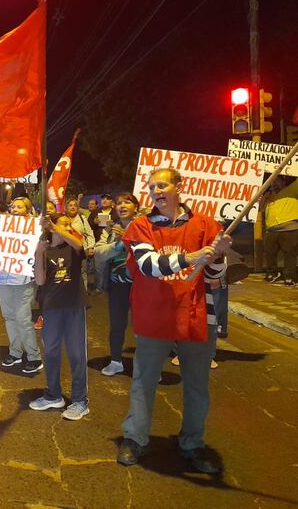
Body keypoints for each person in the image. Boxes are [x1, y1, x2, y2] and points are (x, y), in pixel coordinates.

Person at [116, 168, 231, 474]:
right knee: (143, 381)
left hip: (196, 315)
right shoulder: (140, 226)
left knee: (197, 384)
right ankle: (135, 438)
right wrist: (191, 258)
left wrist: (218, 256)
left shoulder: (205, 224)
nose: (156, 191)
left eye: (163, 185)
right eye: (152, 187)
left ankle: (192, 442)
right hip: (154, 316)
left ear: (180, 186)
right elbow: (148, 266)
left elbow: (216, 277)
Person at [29, 213, 89, 420]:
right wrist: (39, 254)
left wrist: (56, 227)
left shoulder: (73, 248)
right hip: (51, 308)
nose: (67, 228)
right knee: (52, 353)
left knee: (76, 354)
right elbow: (39, 280)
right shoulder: (46, 250)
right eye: (63, 224)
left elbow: (80, 245)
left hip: (73, 306)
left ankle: (80, 400)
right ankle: (53, 395)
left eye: (68, 225)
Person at [93, 192, 139, 375]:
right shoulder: (110, 229)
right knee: (117, 325)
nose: (122, 206)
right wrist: (118, 244)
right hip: (117, 284)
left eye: (127, 202)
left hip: (141, 286)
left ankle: (146, 365)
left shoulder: (144, 227)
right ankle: (115, 361)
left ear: (136, 207)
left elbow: (152, 250)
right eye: (119, 203)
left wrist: (128, 237)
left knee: (143, 326)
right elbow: (98, 252)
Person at [0, 197, 42, 373]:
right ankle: (15, 352)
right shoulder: (0, 226)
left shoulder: (34, 228)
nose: (14, 209)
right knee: (9, 317)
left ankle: (34, 357)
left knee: (23, 319)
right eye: (13, 206)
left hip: (22, 279)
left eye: (19, 207)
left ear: (27, 211)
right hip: (2, 278)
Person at [263, 175, 298, 286]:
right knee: (269, 253)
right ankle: (272, 273)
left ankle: (289, 277)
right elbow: (258, 209)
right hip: (271, 230)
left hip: (289, 228)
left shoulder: (291, 190)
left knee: (289, 254)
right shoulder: (268, 196)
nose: (273, 184)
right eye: (271, 182)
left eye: (277, 181)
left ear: (284, 181)